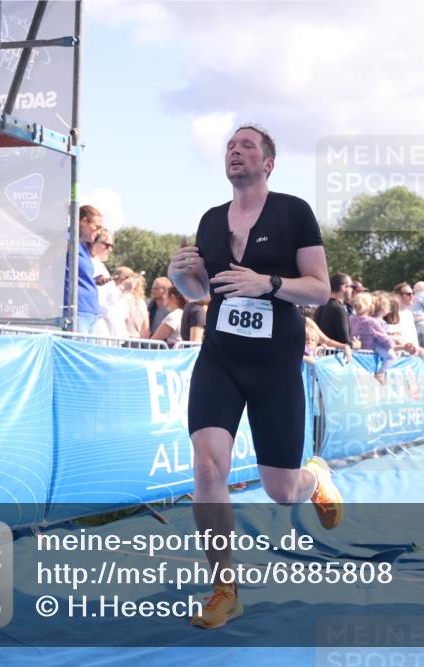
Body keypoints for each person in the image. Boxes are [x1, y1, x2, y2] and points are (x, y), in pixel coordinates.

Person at [167, 124, 342, 630]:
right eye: (229, 146)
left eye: (247, 146)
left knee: (280, 490)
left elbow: (320, 291)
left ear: (268, 163)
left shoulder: (293, 212)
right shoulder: (209, 220)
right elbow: (200, 292)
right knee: (207, 466)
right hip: (220, 358)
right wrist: (182, 275)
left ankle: (315, 478)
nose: (235, 151)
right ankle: (225, 587)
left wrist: (266, 282)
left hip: (274, 365)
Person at [65, 204, 103, 333]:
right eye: (96, 227)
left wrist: (93, 281)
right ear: (83, 221)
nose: (98, 233)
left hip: (90, 311)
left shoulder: (83, 247)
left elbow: (77, 275)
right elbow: (40, 267)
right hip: (77, 311)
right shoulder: (67, 241)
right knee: (76, 352)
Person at [349, 291, 396, 383]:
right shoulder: (371, 321)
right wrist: (392, 343)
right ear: (370, 306)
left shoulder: (351, 318)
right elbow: (383, 338)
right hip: (370, 350)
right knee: (392, 357)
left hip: (356, 352)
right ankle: (380, 373)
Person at [313, 272, 353, 345]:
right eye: (351, 286)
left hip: (323, 353)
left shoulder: (321, 306)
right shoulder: (339, 309)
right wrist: (356, 345)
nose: (352, 290)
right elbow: (345, 341)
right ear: (344, 288)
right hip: (335, 354)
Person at [111, 266, 150, 338]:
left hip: (123, 340)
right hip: (138, 342)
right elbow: (146, 329)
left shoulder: (121, 298)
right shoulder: (141, 301)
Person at [392, 282, 420, 348]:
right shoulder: (391, 313)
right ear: (398, 296)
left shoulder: (409, 314)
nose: (412, 296)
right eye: (408, 294)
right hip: (399, 355)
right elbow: (393, 337)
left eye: (412, 294)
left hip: (412, 355)